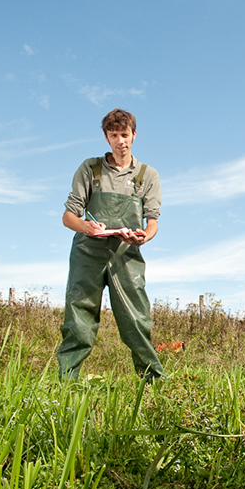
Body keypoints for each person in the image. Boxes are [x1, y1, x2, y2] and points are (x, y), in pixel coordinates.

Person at [57, 108, 165, 382]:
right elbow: (68, 216)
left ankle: (152, 381)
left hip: (126, 255)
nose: (120, 141)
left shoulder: (146, 175)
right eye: (114, 135)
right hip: (88, 253)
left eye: (125, 134)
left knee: (137, 318)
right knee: (78, 316)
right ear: (106, 137)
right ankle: (66, 384)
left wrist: (144, 236)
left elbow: (152, 221)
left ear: (134, 135)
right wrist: (86, 226)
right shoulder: (90, 169)